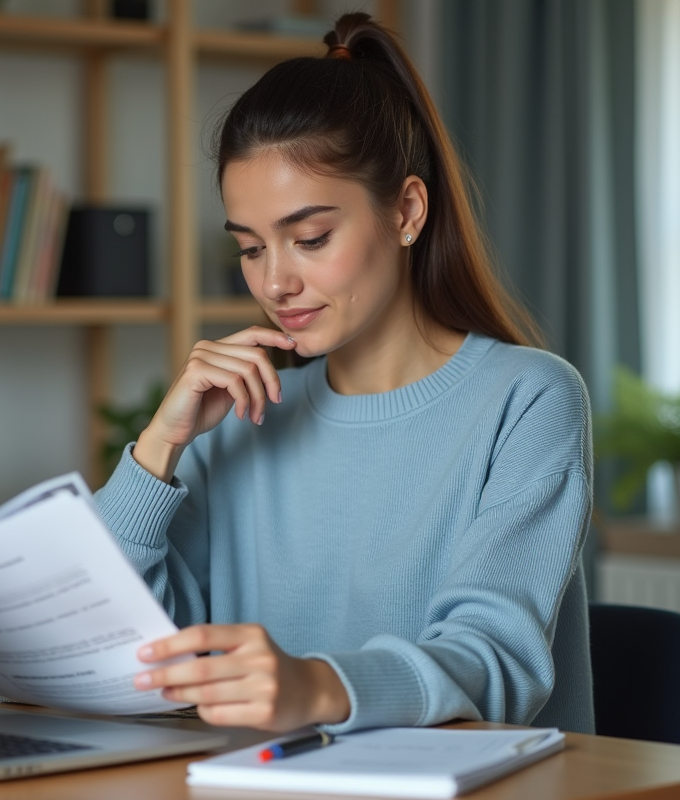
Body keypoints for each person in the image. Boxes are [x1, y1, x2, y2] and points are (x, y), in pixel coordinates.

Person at [96, 12, 594, 735]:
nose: (275, 283)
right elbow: (134, 654)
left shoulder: (528, 399)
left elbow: (494, 662)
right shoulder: (241, 418)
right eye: (251, 249)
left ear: (407, 212)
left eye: (310, 238)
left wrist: (319, 686)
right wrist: (157, 447)